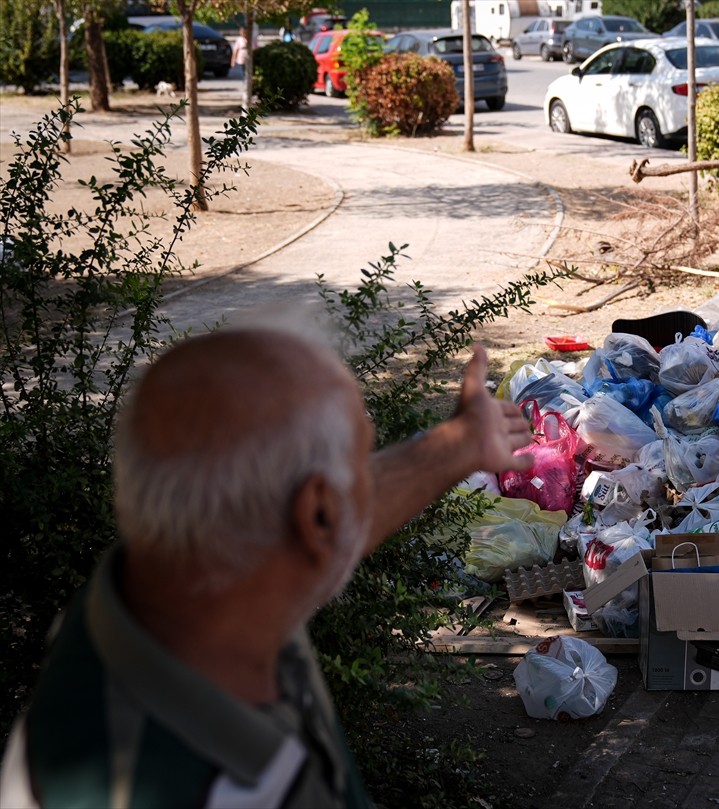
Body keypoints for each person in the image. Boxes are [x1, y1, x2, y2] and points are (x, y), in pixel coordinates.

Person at [0, 318, 534, 807]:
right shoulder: (179, 790)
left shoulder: (172, 569)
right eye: (362, 459)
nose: (369, 481)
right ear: (316, 518)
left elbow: (334, 517)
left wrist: (458, 444)